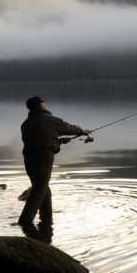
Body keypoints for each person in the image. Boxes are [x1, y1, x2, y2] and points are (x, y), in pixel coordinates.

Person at [18, 96, 90, 225]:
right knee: (39, 189)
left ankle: (46, 218)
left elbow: (37, 140)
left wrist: (59, 141)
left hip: (28, 157)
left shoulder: (25, 124)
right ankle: (24, 222)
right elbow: (68, 128)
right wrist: (83, 131)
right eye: (43, 102)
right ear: (41, 105)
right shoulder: (50, 120)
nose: (45, 104)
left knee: (43, 187)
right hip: (44, 156)